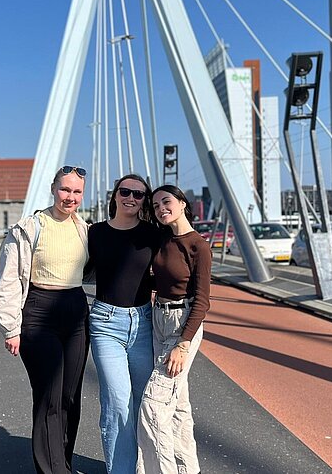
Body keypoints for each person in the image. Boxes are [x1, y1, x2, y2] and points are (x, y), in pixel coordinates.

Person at [0, 166, 90, 474]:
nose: (70, 197)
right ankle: (52, 470)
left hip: (75, 310)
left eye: (76, 192)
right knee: (49, 394)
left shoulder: (83, 228)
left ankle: (63, 462)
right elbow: (8, 279)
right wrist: (10, 328)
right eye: (65, 190)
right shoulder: (30, 227)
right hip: (38, 312)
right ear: (52, 188)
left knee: (69, 397)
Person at [87, 174, 161, 473]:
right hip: (105, 324)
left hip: (143, 322)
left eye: (140, 194)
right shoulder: (94, 233)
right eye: (125, 191)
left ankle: (145, 465)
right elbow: (65, 264)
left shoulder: (153, 234)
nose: (131, 197)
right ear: (114, 195)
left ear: (145, 201)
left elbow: (177, 263)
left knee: (145, 402)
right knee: (118, 402)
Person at [138, 185, 210, 473]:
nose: (160, 208)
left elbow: (202, 301)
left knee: (153, 406)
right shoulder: (164, 239)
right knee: (178, 406)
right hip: (158, 319)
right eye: (155, 206)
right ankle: (187, 469)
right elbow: (162, 282)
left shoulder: (198, 246)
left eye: (166, 202)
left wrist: (183, 344)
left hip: (183, 324)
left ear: (182, 203)